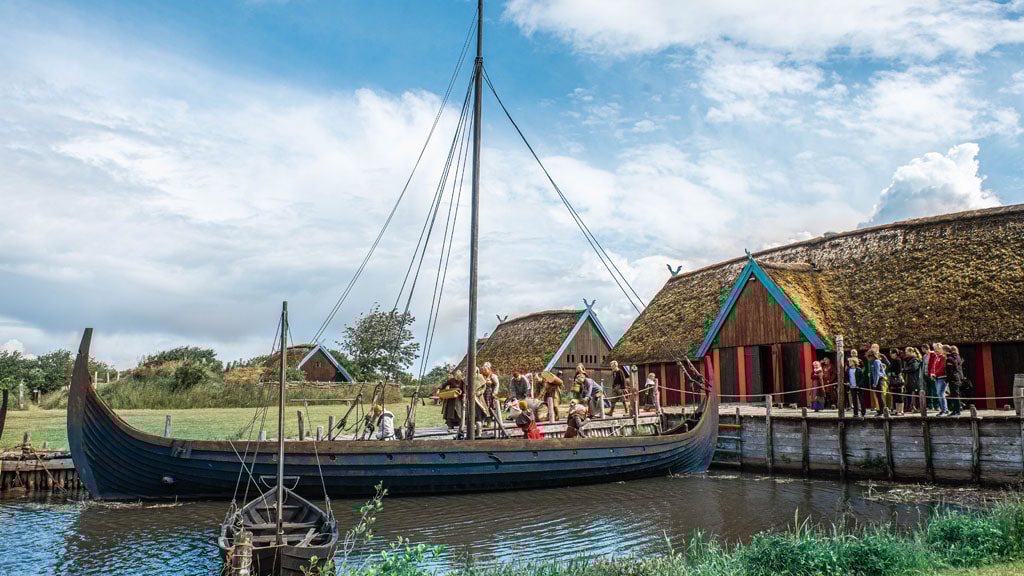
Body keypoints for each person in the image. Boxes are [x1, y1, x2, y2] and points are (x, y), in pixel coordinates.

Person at [944, 345, 964, 417]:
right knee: (956, 394)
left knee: (954, 395)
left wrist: (946, 380)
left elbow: (950, 371)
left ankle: (956, 411)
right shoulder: (958, 357)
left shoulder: (949, 359)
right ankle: (956, 410)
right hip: (957, 378)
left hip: (953, 379)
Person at [929, 342, 948, 415]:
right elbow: (933, 367)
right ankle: (943, 409)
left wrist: (935, 374)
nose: (935, 352)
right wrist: (931, 374)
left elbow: (942, 367)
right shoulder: (936, 357)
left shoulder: (943, 357)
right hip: (936, 378)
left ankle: (945, 410)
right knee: (938, 393)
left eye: (936, 350)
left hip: (942, 377)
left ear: (941, 349)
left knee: (941, 393)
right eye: (934, 350)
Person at [865, 349, 885, 416]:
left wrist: (875, 383)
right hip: (876, 380)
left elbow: (877, 373)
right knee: (877, 396)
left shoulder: (876, 362)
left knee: (880, 396)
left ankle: (882, 410)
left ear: (872, 356)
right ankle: (879, 410)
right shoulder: (873, 362)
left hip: (879, 380)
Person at [903, 347, 923, 412]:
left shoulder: (915, 360)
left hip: (915, 379)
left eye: (907, 352)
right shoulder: (908, 360)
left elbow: (913, 368)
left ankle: (918, 407)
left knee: (916, 393)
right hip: (909, 379)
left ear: (911, 352)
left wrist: (905, 370)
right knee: (909, 393)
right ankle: (909, 406)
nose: (906, 353)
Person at [888, 348, 905, 415]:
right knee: (895, 395)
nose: (890, 355)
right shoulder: (893, 360)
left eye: (891, 353)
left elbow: (899, 370)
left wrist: (892, 373)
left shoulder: (898, 360)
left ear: (895, 353)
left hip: (897, 380)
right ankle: (897, 410)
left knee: (899, 395)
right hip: (893, 380)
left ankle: (901, 410)